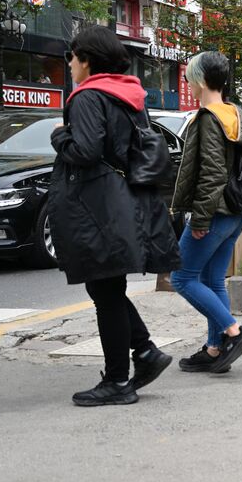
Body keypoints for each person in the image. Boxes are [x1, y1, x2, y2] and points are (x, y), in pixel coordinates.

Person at [48, 26, 180, 406]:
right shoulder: (129, 95)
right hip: (124, 201)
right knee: (107, 288)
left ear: (87, 59)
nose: (70, 65)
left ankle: (119, 381)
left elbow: (86, 150)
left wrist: (59, 136)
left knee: (105, 292)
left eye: (73, 58)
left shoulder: (88, 96)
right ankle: (144, 352)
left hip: (99, 206)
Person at [170, 52, 242, 374]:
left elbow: (211, 173)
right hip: (233, 213)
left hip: (215, 213)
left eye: (189, 77)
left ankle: (233, 332)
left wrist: (200, 218)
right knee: (212, 279)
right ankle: (214, 350)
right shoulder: (233, 114)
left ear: (199, 80)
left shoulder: (210, 118)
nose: (187, 83)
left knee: (181, 277)